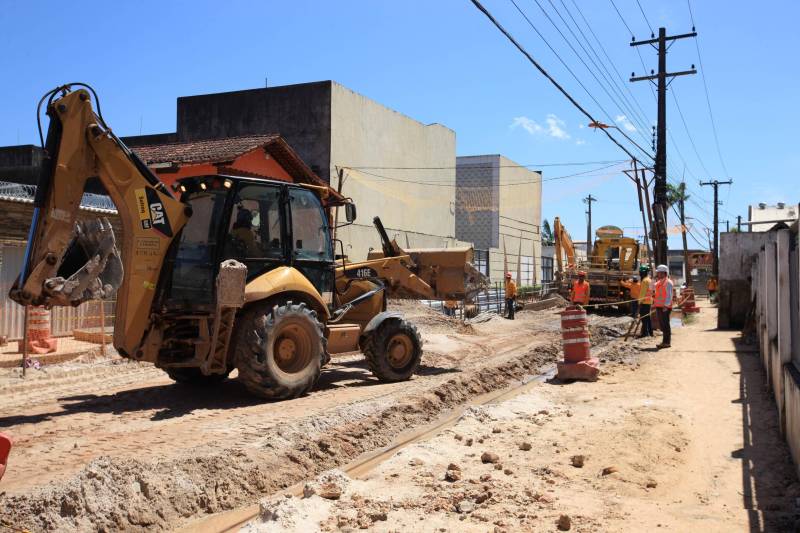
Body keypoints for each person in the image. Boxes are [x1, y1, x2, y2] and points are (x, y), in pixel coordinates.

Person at [653, 264, 674, 349]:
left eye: (660, 273)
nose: (658, 274)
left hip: (665, 307)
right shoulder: (659, 282)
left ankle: (666, 342)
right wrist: (654, 279)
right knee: (662, 324)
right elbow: (652, 287)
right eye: (658, 273)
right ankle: (665, 341)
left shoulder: (668, 282)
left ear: (665, 273)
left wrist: (666, 306)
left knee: (665, 325)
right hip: (659, 306)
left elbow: (669, 295)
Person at [638, 266, 654, 338]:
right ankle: (650, 332)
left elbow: (642, 293)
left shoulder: (644, 281)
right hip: (649, 301)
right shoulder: (650, 280)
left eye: (640, 272)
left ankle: (645, 333)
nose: (640, 274)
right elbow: (652, 291)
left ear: (643, 273)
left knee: (644, 318)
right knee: (648, 318)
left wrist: (640, 302)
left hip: (644, 302)